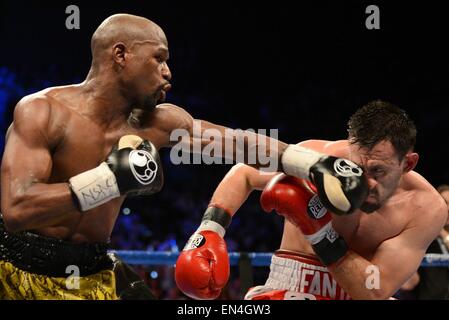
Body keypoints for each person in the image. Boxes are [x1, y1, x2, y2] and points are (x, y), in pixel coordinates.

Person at [0, 14, 367, 300]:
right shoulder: (43, 111)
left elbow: (237, 144)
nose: (167, 72)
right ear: (120, 55)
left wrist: (310, 164)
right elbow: (17, 209)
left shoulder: (157, 123)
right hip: (16, 269)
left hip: (93, 268)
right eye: (158, 59)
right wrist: (107, 182)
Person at [175, 100, 448, 300]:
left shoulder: (425, 208)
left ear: (408, 163)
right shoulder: (318, 160)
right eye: (355, 167)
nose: (363, 183)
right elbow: (244, 173)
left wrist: (318, 231)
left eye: (377, 171)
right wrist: (210, 229)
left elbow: (375, 291)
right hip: (291, 286)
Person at [396, 184, 449, 299]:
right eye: (445, 203)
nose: (448, 208)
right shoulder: (424, 234)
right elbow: (409, 284)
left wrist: (442, 232)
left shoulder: (442, 234)